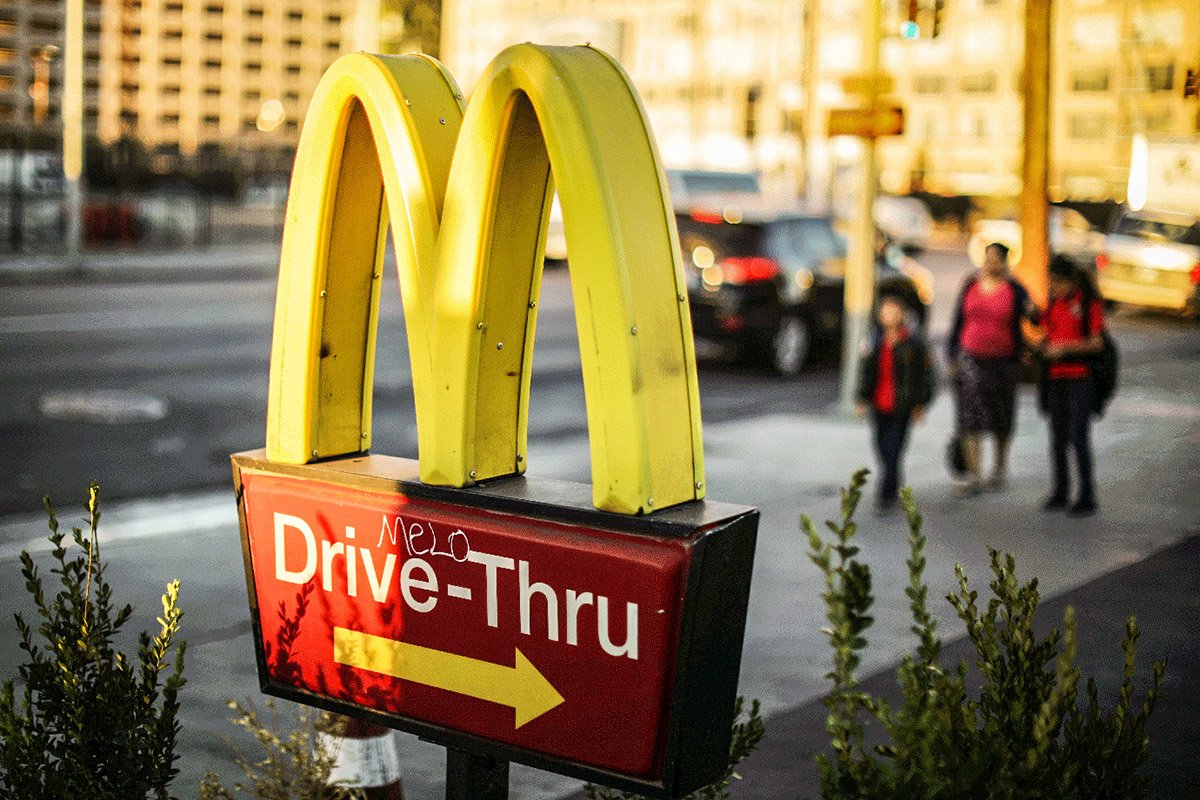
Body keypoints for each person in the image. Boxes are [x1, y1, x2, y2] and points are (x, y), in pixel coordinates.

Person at [946, 241, 1035, 495]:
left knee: (1001, 416)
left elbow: (1033, 317)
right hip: (970, 358)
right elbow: (958, 320)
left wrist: (1033, 310)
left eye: (997, 258)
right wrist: (952, 354)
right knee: (969, 416)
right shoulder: (971, 284)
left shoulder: (1015, 289)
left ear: (1005, 261)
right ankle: (974, 474)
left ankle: (998, 467)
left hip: (1003, 362)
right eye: (988, 258)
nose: (991, 263)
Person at [856, 295, 936, 513]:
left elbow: (926, 375)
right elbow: (865, 372)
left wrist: (921, 403)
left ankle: (885, 494)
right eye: (885, 311)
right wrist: (861, 398)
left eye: (894, 311)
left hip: (902, 405)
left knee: (894, 449)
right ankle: (894, 485)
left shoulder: (913, 342)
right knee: (881, 448)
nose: (889, 316)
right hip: (879, 403)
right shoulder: (874, 340)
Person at [1039, 255, 1105, 517]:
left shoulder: (1087, 302)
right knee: (1057, 437)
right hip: (1056, 377)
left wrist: (1065, 349)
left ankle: (1087, 494)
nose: (1053, 287)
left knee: (1078, 437)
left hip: (1080, 375)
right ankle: (1061, 489)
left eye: (1056, 282)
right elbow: (1046, 332)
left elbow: (1097, 342)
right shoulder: (1053, 302)